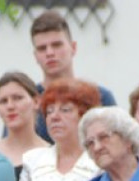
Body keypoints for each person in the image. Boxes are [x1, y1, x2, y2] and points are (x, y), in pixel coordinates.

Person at [13, 78, 100, 181]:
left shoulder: (99, 162)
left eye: (65, 110)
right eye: (49, 111)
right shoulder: (33, 159)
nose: (54, 117)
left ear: (85, 116)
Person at [27, 10, 117, 142]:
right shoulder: (25, 102)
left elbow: (117, 145)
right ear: (35, 56)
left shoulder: (101, 97)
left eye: (57, 45)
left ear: (73, 48)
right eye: (42, 48)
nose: (50, 52)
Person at [0, 71, 48, 179]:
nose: (10, 106)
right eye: (3, 101)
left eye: (17, 98)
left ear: (36, 102)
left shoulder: (50, 155)